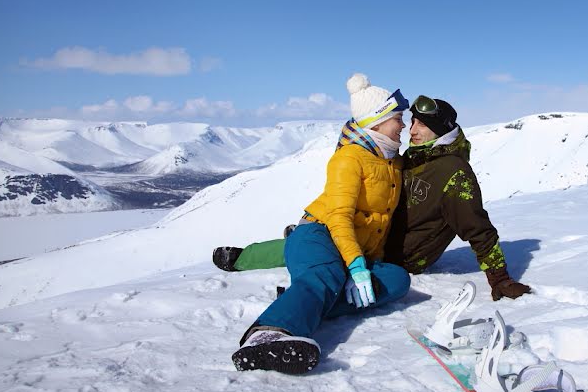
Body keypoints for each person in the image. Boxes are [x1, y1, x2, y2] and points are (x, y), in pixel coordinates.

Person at [213, 95, 531, 302]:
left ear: (440, 132)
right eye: (412, 121)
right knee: (318, 237)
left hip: (396, 257)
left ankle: (300, 287)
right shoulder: (418, 157)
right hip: (375, 237)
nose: (411, 128)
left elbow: (478, 228)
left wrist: (500, 278)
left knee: (324, 248)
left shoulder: (455, 173)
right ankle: (245, 257)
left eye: (422, 124)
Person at [230, 73, 411, 375]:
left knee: (397, 280)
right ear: (377, 121)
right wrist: (355, 266)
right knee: (325, 275)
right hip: (319, 232)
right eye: (398, 118)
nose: (402, 125)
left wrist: (366, 265)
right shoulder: (349, 158)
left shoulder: (393, 161)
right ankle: (267, 335)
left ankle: (302, 300)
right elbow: (339, 216)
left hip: (353, 250)